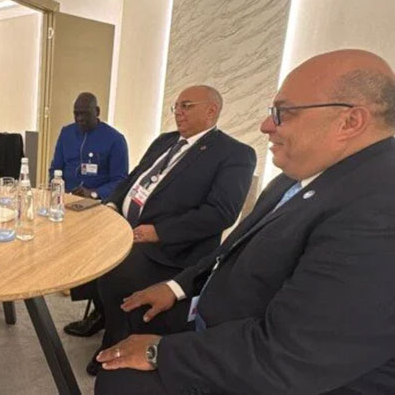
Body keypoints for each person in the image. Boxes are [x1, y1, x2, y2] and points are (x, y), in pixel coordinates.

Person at [96, 49, 395, 394]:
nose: (265, 125)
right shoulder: (296, 177)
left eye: (283, 113)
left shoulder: (380, 211)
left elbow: (290, 357)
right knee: (133, 312)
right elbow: (232, 248)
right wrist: (176, 287)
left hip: (267, 370)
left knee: (121, 381)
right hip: (221, 319)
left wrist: (159, 352)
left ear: (350, 122)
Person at [74, 85, 256, 376]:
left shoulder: (235, 154)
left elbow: (221, 213)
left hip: (172, 247)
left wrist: (160, 232)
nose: (178, 113)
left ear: (211, 111)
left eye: (186, 106)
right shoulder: (165, 141)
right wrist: (112, 205)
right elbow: (133, 178)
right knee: (82, 247)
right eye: (176, 107)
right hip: (126, 227)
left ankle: (115, 341)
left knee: (116, 271)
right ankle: (103, 313)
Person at [49, 92, 128, 201]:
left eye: (85, 114)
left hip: (97, 201)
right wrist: (59, 191)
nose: (80, 118)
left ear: (97, 111)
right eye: (76, 114)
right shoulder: (66, 133)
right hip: (64, 198)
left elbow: (120, 181)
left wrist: (94, 193)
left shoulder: (116, 140)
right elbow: (55, 169)